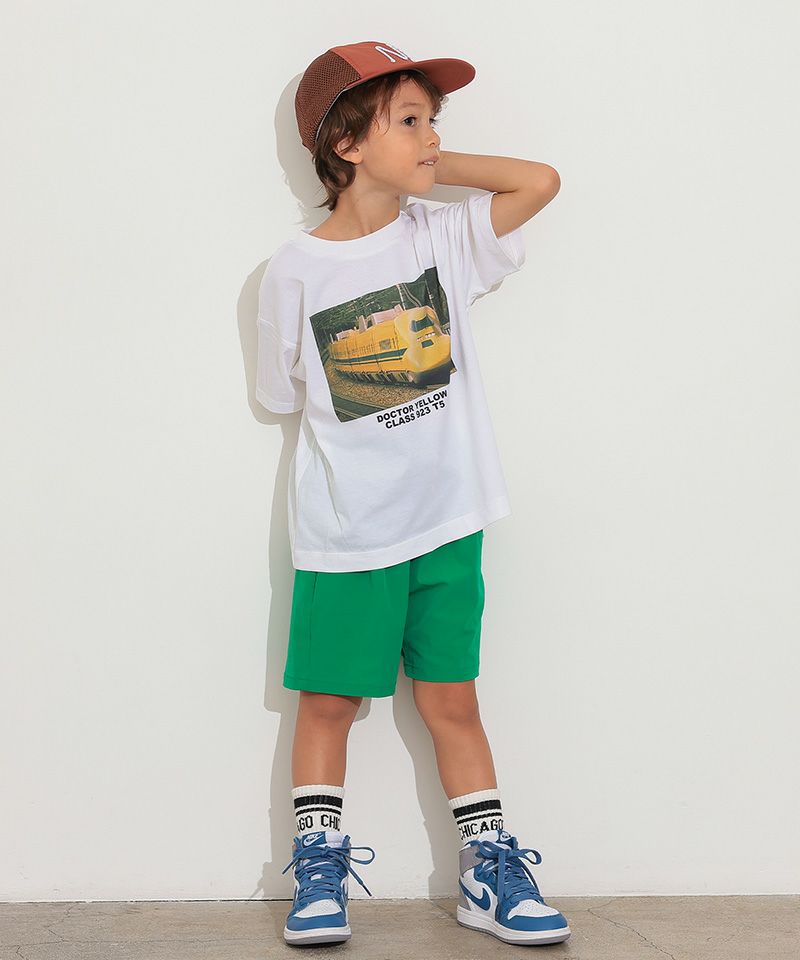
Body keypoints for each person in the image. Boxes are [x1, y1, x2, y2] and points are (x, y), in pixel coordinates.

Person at [256, 39, 566, 947]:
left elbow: (539, 181)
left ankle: (487, 871)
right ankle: (319, 868)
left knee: (453, 700)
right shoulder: (292, 272)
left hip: (450, 522)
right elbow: (281, 393)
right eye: (409, 120)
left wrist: (426, 163)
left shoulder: (440, 236)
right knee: (328, 703)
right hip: (349, 533)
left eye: (434, 120)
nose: (432, 136)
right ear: (345, 142)